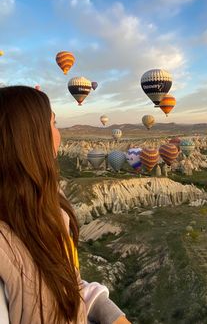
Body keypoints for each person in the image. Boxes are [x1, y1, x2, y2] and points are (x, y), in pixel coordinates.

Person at [0, 86, 131, 324]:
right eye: (54, 123)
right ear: (29, 137)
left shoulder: (49, 211)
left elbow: (66, 281)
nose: (59, 134)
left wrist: (109, 314)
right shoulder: (4, 247)